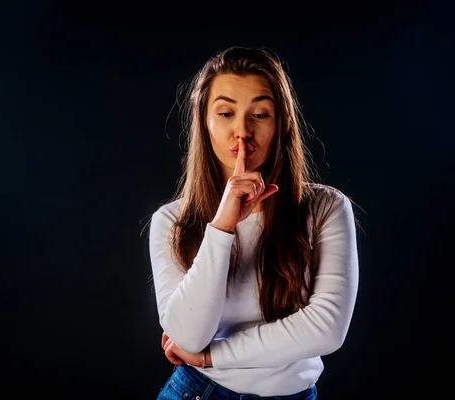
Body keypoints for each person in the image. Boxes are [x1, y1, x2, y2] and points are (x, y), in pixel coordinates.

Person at [146, 45, 359, 400]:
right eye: (226, 113)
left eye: (260, 114)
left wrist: (210, 357)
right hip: (199, 392)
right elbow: (186, 337)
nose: (242, 131)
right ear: (205, 122)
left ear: (281, 124)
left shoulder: (326, 208)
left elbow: (326, 329)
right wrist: (223, 225)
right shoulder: (171, 221)